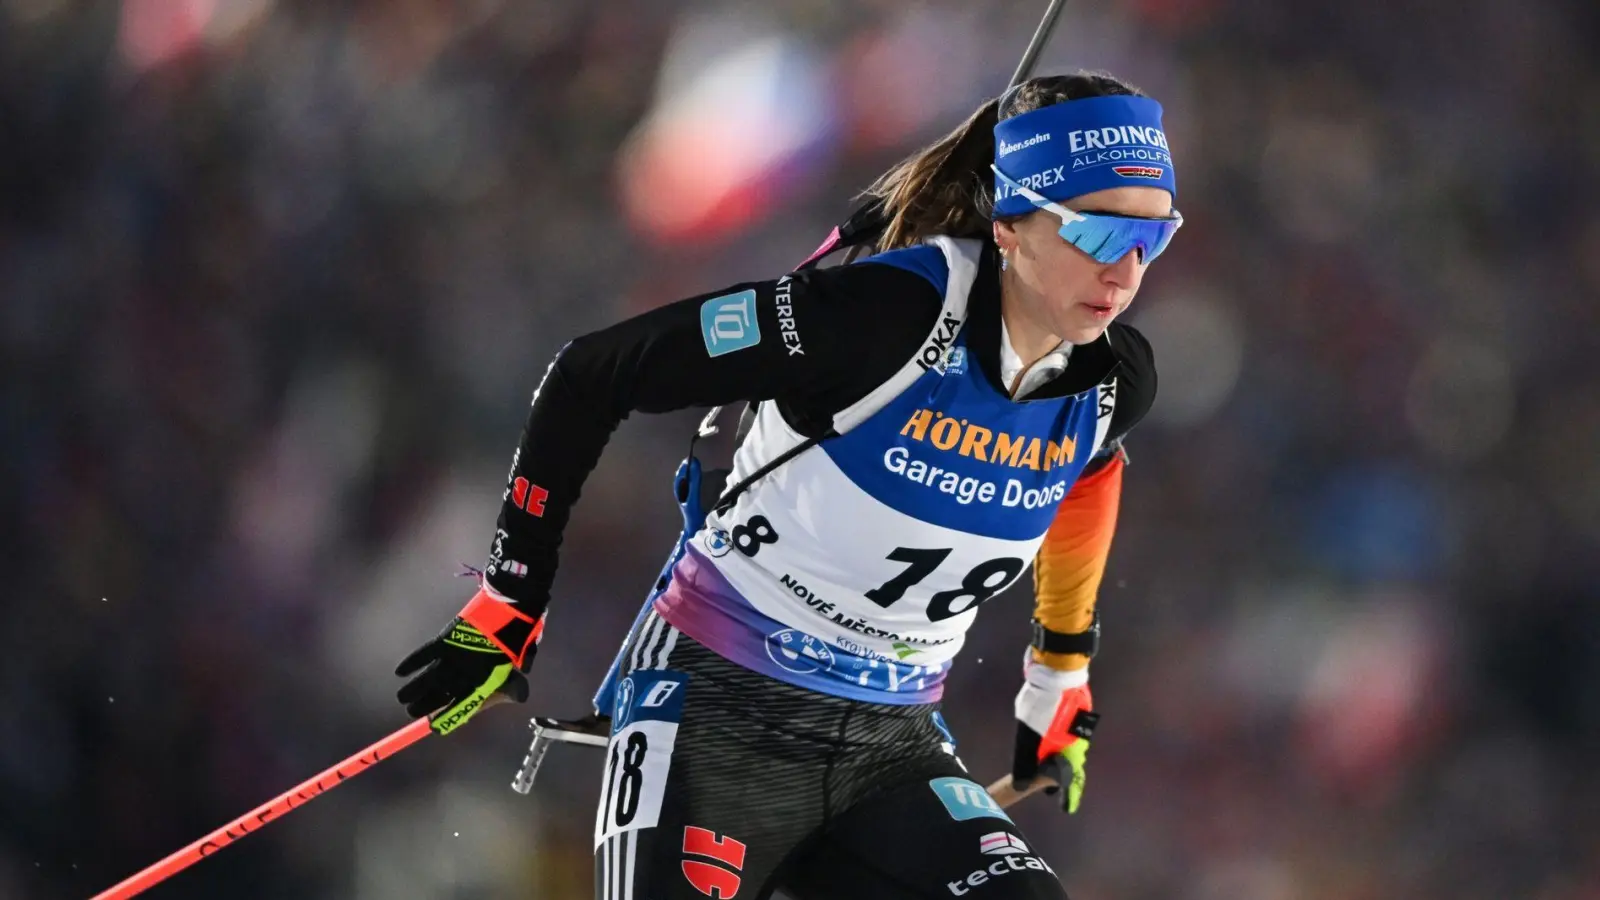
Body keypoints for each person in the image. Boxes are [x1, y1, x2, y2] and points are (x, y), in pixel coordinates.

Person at [394, 69, 1179, 899]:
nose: (1126, 270)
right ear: (1012, 225)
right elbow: (592, 374)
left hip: (890, 744)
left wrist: (1060, 670)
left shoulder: (1111, 381)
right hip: (716, 713)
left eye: (1153, 238)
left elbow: (1088, 472)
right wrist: (511, 597)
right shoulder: (880, 317)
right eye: (1096, 234)